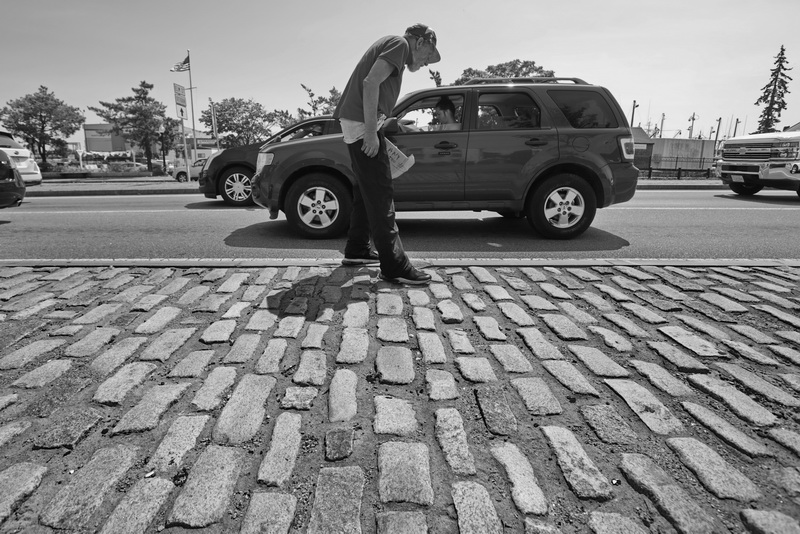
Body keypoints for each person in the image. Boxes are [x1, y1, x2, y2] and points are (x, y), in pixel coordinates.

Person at [333, 24, 440, 285]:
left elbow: (373, 87)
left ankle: (357, 249)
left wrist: (378, 127)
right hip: (362, 126)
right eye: (428, 54)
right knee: (381, 195)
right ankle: (394, 266)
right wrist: (371, 132)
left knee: (365, 191)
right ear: (420, 42)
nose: (427, 62)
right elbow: (371, 83)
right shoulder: (400, 45)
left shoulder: (396, 49)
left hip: (360, 123)